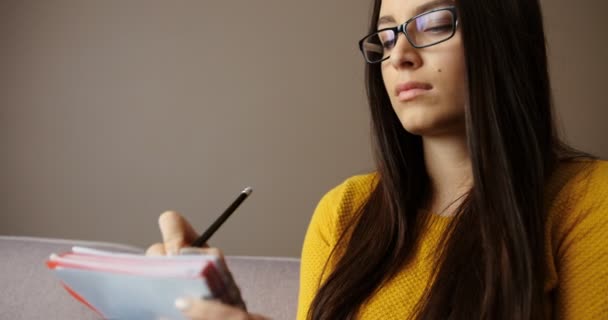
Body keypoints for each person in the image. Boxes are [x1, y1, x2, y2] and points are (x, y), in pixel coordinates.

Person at [146, 0, 608, 318]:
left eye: (433, 24)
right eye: (387, 35)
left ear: (502, 37)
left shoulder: (588, 200)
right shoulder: (343, 210)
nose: (399, 56)